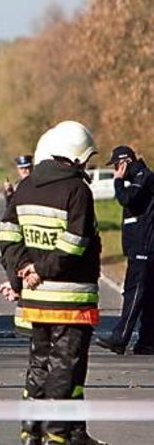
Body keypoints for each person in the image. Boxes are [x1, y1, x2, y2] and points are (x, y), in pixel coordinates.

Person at [0, 120, 109, 445]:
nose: (87, 166)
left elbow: (8, 236)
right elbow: (76, 242)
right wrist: (41, 268)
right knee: (67, 366)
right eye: (85, 160)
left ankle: (31, 433)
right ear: (75, 157)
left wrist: (22, 272)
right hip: (70, 295)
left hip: (36, 296)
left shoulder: (25, 187)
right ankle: (59, 437)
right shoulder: (77, 190)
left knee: (39, 363)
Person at [94, 145, 154, 355]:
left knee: (134, 292)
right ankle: (147, 342)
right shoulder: (139, 177)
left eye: (117, 165)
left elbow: (126, 199)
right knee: (147, 297)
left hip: (143, 247)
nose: (115, 170)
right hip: (142, 246)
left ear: (125, 161)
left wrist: (118, 181)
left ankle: (120, 339)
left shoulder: (141, 176)